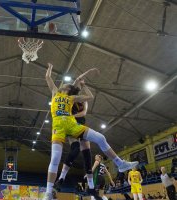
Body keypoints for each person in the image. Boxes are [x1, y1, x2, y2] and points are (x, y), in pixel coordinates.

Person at [43, 63, 138, 200]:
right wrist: (51, 67)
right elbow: (47, 77)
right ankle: (48, 193)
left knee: (100, 137)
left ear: (68, 89)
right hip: (58, 126)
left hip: (72, 125)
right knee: (55, 158)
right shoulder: (55, 92)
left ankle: (120, 163)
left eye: (66, 85)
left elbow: (90, 97)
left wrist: (84, 85)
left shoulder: (72, 98)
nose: (64, 85)